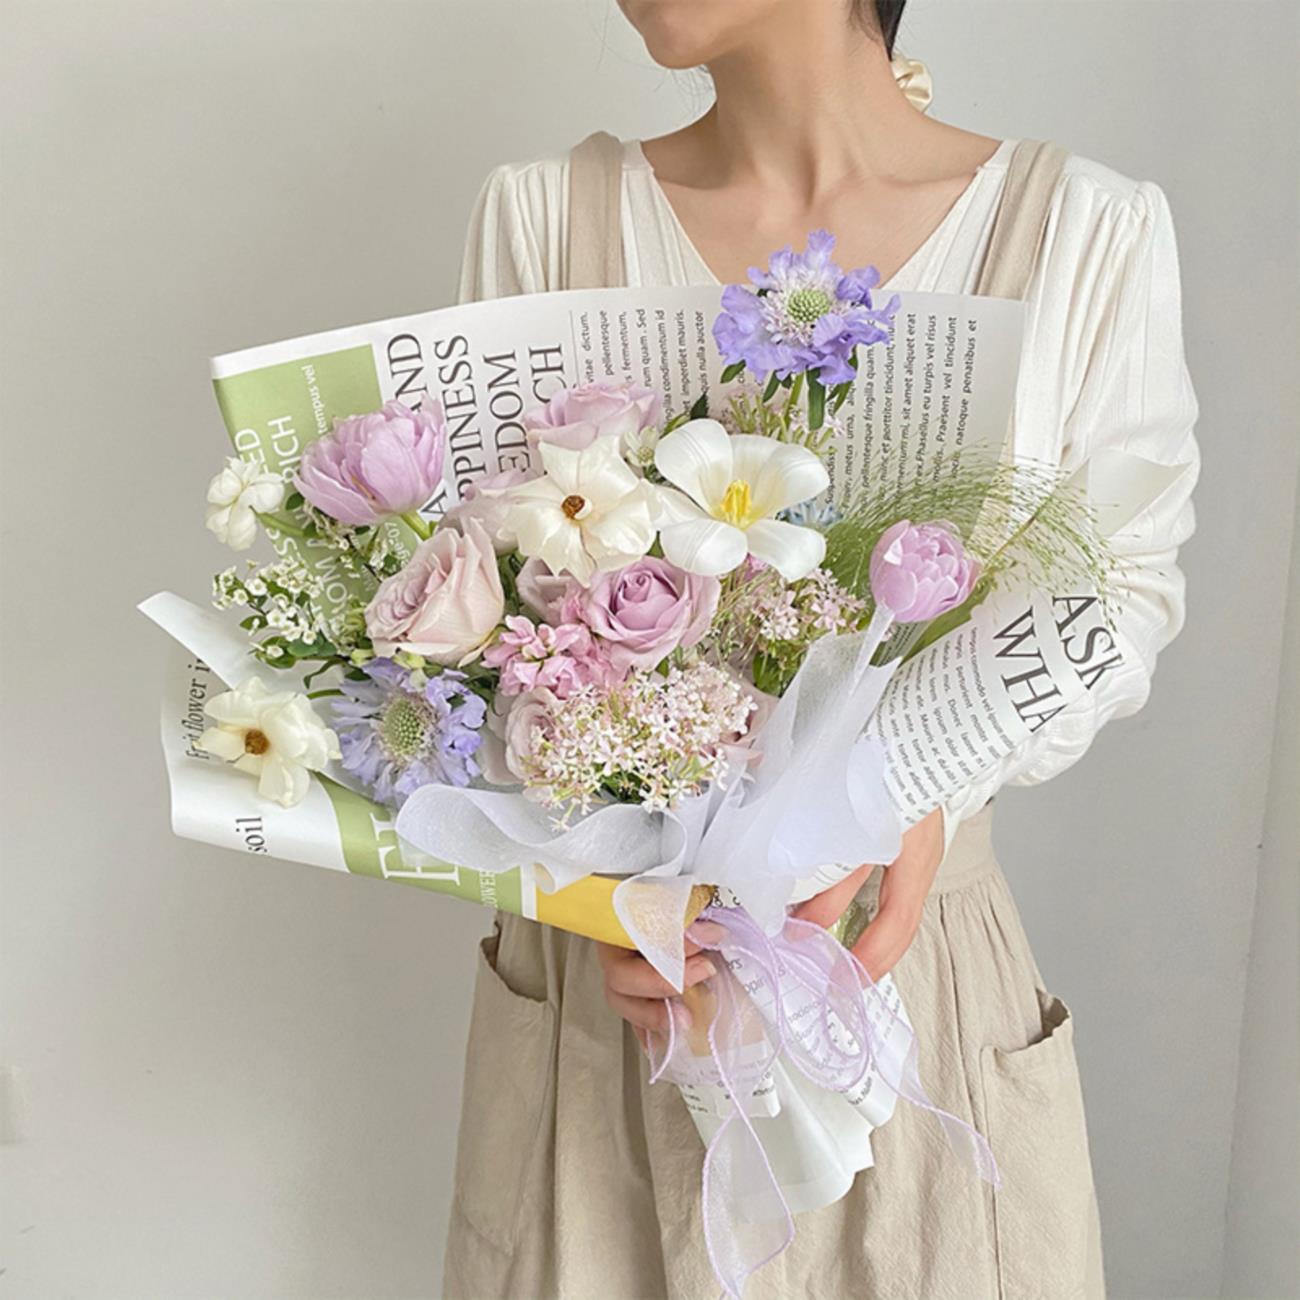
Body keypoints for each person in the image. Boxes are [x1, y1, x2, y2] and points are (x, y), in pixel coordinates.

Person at [445, 1, 1199, 1296]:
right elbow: (478, 616)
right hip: (614, 997)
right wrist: (603, 886)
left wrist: (905, 796)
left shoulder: (1082, 232)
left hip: (902, 974)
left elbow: (1118, 602)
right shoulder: (544, 218)